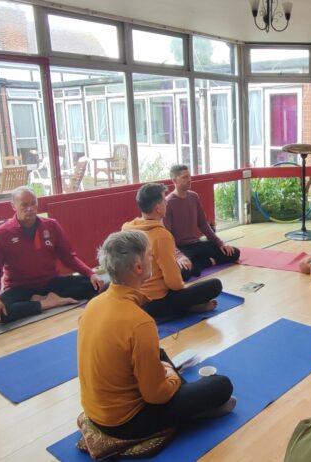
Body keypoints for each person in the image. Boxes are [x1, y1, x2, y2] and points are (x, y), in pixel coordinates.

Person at [78, 230, 235, 441]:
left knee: (158, 354)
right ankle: (193, 413)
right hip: (125, 423)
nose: (153, 258)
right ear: (139, 267)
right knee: (221, 386)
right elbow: (156, 396)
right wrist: (170, 376)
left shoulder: (93, 305)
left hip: (96, 413)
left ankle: (186, 400)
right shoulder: (140, 322)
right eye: (150, 255)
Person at [0, 187, 103, 323]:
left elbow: (69, 257)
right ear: (13, 206)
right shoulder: (1, 234)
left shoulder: (51, 225)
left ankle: (42, 299)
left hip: (50, 282)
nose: (30, 208)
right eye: (24, 205)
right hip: (20, 288)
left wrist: (90, 274)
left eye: (33, 203)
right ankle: (46, 303)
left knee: (96, 285)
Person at [122, 182, 223, 320]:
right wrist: (184, 289)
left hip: (131, 297)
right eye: (164, 200)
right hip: (154, 302)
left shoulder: (127, 228)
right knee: (215, 285)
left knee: (184, 270)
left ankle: (185, 306)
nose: (166, 203)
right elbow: (174, 284)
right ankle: (187, 308)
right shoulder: (161, 236)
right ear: (157, 208)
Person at [164, 164, 240, 280]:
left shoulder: (194, 197)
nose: (189, 179)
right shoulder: (168, 203)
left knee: (234, 253)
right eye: (184, 177)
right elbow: (166, 236)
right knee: (184, 273)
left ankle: (201, 263)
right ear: (174, 180)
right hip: (182, 248)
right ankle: (207, 262)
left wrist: (221, 243)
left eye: (189, 176)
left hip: (197, 244)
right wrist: (179, 256)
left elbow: (203, 224)